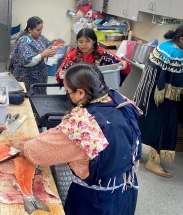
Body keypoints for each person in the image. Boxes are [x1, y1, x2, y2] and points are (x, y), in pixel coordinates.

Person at [9, 63, 141, 215]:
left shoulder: (81, 123)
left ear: (80, 92)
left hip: (93, 199)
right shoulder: (121, 101)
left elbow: (39, 153)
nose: (67, 95)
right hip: (124, 187)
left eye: (67, 92)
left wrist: (22, 146)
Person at [133, 25, 183, 178]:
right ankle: (154, 162)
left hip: (147, 94)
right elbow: (177, 80)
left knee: (144, 122)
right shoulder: (177, 53)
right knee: (164, 127)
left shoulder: (165, 45)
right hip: (161, 97)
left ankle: (136, 154)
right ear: (182, 39)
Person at [56, 28, 130, 85]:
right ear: (77, 42)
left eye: (87, 41)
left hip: (100, 92)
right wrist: (61, 73)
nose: (83, 45)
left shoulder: (103, 54)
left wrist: (124, 63)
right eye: (80, 42)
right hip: (77, 93)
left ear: (94, 41)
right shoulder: (72, 55)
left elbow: (122, 64)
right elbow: (60, 71)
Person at [10, 16, 58, 94]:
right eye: (38, 30)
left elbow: (48, 45)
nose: (40, 31)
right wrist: (43, 55)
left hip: (39, 77)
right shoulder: (24, 41)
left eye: (41, 29)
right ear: (29, 30)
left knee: (39, 99)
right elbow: (27, 62)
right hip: (27, 77)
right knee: (29, 99)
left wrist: (52, 49)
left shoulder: (39, 37)